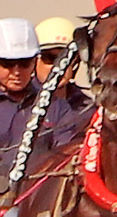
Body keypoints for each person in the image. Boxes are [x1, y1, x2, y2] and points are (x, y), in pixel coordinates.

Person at [0, 18, 88, 212]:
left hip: (34, 207)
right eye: (8, 64)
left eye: (24, 63)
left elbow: (65, 158)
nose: (16, 72)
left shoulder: (56, 106)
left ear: (34, 61)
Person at [34, 15, 95, 146]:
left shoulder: (89, 110)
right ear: (34, 61)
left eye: (65, 59)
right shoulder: (19, 107)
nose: (58, 67)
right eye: (49, 58)